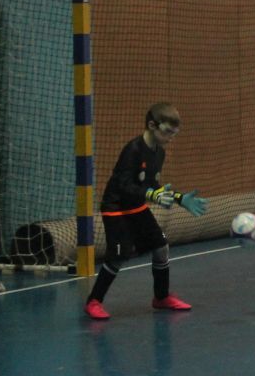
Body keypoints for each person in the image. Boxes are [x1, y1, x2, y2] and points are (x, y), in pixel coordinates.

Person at [84, 102, 208, 320]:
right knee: (119, 255)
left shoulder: (159, 153)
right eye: (167, 131)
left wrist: (179, 198)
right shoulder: (132, 150)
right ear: (152, 125)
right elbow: (123, 185)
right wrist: (151, 194)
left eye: (175, 133)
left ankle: (161, 297)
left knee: (161, 247)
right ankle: (94, 301)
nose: (171, 137)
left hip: (136, 205)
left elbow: (151, 185)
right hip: (116, 207)